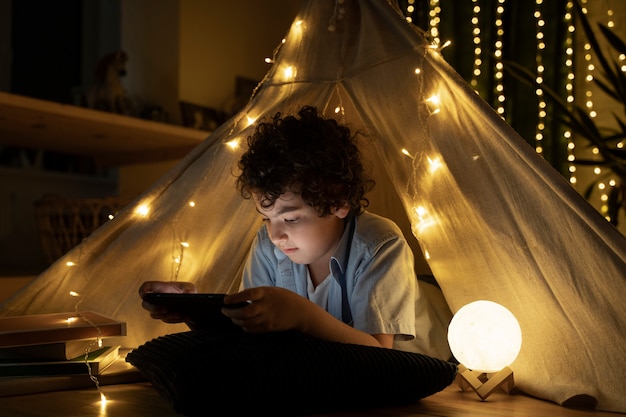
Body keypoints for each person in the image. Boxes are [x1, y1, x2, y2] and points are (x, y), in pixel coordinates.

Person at [140, 105, 451, 358]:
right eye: (266, 219)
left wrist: (302, 316)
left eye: (290, 220)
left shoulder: (379, 243)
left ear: (339, 203)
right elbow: (250, 332)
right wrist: (196, 310)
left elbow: (379, 354)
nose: (276, 235)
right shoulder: (269, 243)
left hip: (437, 322)